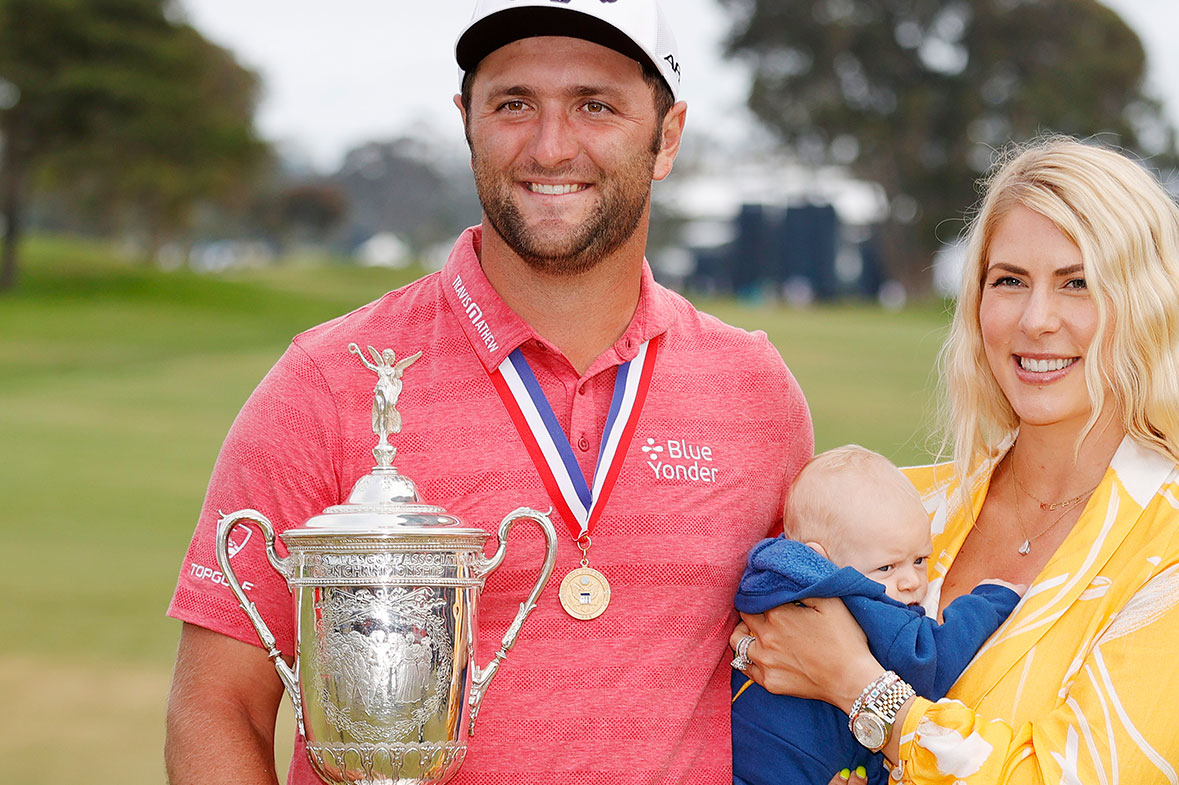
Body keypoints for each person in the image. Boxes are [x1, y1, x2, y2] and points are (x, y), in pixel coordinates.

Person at [163, 2, 813, 783]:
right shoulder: (328, 380)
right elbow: (217, 704)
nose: (550, 146)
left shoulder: (757, 393)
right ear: (466, 119)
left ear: (667, 135)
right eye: (513, 104)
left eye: (595, 105)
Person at [731, 137, 1179, 785]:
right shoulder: (904, 503)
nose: (1036, 319)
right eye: (1009, 280)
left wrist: (859, 686)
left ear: (1148, 308)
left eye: (1079, 283)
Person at [731, 445, 1021, 785]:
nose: (912, 582)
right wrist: (987, 603)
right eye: (886, 567)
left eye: (920, 560)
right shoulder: (858, 601)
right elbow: (930, 664)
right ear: (821, 558)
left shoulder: (771, 583)